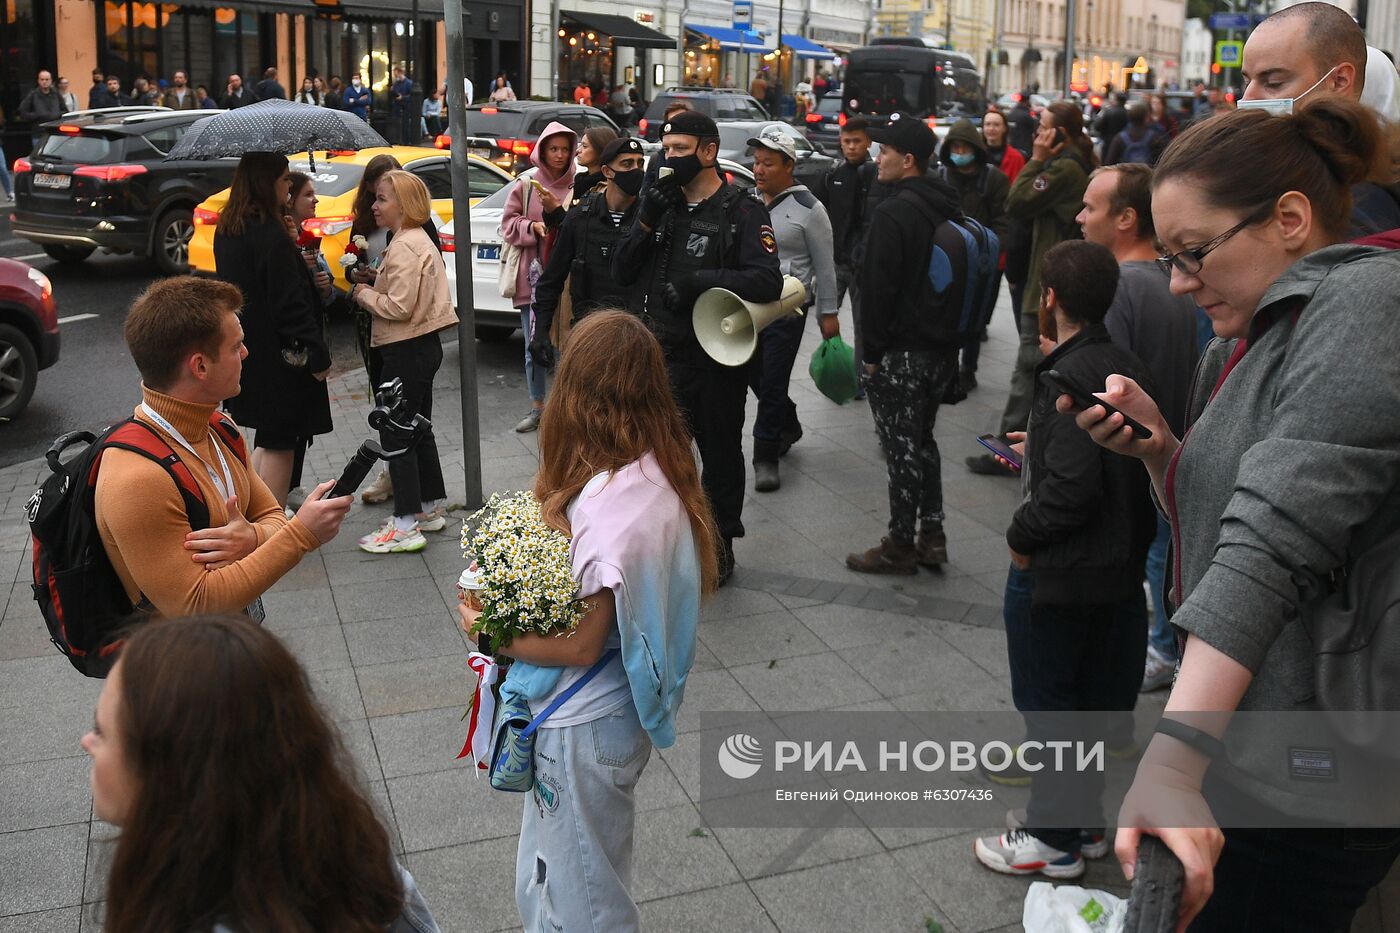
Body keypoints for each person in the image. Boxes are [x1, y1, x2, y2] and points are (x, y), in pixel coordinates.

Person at [1067, 99, 1400, 932]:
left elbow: (1276, 533)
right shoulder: (1244, 334)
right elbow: (1226, 512)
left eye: (1194, 253)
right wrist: (1159, 449)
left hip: (1313, 770)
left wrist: (1174, 758)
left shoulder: (1367, 301)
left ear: (1290, 219)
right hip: (1247, 732)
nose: (1178, 281)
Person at [459, 310, 716, 933]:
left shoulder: (610, 505)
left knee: (583, 900)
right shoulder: (662, 464)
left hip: (583, 722)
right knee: (566, 872)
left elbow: (579, 644)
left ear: (579, 389)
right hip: (613, 715)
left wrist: (485, 627)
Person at [971, 240, 1156, 881]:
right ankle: (1083, 824)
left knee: (1053, 709)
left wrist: (1021, 536)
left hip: (1062, 576)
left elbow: (1072, 493)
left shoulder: (1067, 379)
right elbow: (1103, 462)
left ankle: (1052, 841)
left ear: (1049, 298)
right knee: (1094, 705)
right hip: (1118, 575)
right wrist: (1042, 450)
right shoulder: (1121, 363)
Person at [82, 616, 439, 932]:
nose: (87, 742)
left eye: (101, 731)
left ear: (169, 771)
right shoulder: (353, 858)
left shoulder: (180, 901)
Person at [96, 278, 350, 618]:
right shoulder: (137, 479)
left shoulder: (219, 428)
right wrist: (301, 535)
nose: (246, 353)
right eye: (236, 347)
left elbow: (272, 515)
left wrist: (253, 538)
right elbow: (194, 603)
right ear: (200, 366)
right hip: (178, 665)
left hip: (231, 647)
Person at [611, 110, 783, 583]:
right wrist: (644, 220)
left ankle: (720, 543)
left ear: (708, 152)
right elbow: (622, 272)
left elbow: (768, 280)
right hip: (662, 353)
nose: (671, 159)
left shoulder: (740, 209)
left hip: (716, 359)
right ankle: (660, 540)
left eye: (681, 150)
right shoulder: (659, 201)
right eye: (666, 150)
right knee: (655, 457)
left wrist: (703, 281)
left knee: (720, 452)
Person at [1074, 162, 1206, 693]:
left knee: (1156, 560)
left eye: (1090, 206)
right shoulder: (1168, 281)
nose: (1080, 216)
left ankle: (1159, 651)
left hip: (1138, 466)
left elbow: (1108, 384)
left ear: (1127, 218)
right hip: (1174, 449)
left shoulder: (1120, 288)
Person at [845, 113, 965, 574]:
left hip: (900, 353)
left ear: (908, 159)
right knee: (924, 441)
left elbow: (877, 290)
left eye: (886, 151)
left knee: (900, 449)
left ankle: (899, 545)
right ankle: (932, 535)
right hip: (940, 350)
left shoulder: (894, 212)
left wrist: (871, 357)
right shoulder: (946, 204)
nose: (879, 158)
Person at [967, 101, 1093, 475]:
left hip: (1049, 280)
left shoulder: (1066, 169)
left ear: (1060, 135)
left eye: (1044, 129)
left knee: (1029, 364)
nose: (1038, 134)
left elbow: (1017, 201)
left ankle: (1008, 448)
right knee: (1033, 364)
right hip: (1046, 275)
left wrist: (1036, 159)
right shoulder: (1067, 165)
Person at [214, 152, 332, 508]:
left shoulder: (230, 228)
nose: (287, 186)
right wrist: (317, 354)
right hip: (282, 357)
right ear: (267, 182)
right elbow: (289, 303)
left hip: (248, 348)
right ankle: (273, 525)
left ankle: (258, 518)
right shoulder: (269, 233)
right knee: (282, 440)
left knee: (268, 435)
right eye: (283, 180)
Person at [348, 171, 456, 554]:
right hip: (419, 347)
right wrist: (380, 279)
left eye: (381, 199)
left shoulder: (407, 243)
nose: (374, 206)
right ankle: (427, 507)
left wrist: (363, 293)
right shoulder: (411, 240)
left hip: (407, 348)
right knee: (416, 428)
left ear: (404, 205)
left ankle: (406, 522)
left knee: (396, 433)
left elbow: (400, 306)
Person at [1239, 1, 1400, 236]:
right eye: (1246, 81)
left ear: (1339, 82)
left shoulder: (1359, 209)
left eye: (1274, 83)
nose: (1248, 98)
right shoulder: (1271, 173)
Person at [746, 123, 838, 493]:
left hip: (788, 311)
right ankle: (788, 419)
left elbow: (826, 266)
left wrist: (828, 313)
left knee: (772, 382)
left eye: (768, 162)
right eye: (756, 162)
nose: (759, 170)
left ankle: (765, 455)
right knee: (754, 375)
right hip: (749, 306)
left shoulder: (810, 209)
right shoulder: (750, 203)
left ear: (789, 165)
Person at [530, 135, 646, 361]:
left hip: (636, 336)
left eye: (640, 163)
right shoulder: (580, 218)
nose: (636, 170)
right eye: (627, 164)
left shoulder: (648, 220)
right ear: (607, 171)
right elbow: (551, 280)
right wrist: (541, 332)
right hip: (589, 335)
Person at [501, 122, 577, 433]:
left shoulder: (579, 185)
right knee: (535, 344)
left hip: (569, 281)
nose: (559, 155)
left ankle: (565, 408)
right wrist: (532, 227)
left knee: (567, 347)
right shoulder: (527, 185)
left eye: (564, 149)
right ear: (542, 151)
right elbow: (507, 223)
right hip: (532, 278)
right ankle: (538, 407)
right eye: (553, 148)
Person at [936, 118, 1011, 393]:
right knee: (946, 315)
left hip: (980, 260)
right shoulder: (941, 176)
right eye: (954, 146)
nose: (959, 151)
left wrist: (993, 251)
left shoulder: (994, 179)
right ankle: (947, 367)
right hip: (946, 259)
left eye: (963, 146)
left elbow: (1004, 220)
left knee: (974, 318)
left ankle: (969, 368)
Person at [815, 116, 882, 379]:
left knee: (862, 325)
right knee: (825, 317)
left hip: (862, 266)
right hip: (833, 261)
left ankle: (860, 375)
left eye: (857, 141)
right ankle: (837, 363)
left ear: (868, 143)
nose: (851, 146)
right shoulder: (833, 174)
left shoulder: (876, 175)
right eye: (847, 141)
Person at [571, 125, 619, 203]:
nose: (578, 150)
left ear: (601, 150)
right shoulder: (579, 180)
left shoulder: (609, 187)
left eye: (585, 146)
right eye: (580, 145)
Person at [981, 108, 1027, 182]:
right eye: (987, 124)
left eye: (996, 125)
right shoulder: (976, 155)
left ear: (1004, 128)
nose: (991, 128)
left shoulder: (1016, 157)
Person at [19, 70, 64, 144]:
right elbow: (23, 112)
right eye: (42, 79)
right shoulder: (33, 95)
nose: (44, 82)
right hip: (38, 134)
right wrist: (37, 115)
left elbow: (65, 110)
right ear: (38, 81)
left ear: (51, 80)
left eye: (47, 79)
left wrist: (57, 114)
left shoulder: (56, 94)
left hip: (55, 133)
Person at [1006, 92, 1037, 157]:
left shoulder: (1011, 113)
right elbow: (1035, 129)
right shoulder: (1026, 116)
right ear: (1027, 101)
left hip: (1011, 149)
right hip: (1025, 150)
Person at [390, 67, 414, 144]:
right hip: (397, 107)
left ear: (400, 73)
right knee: (397, 125)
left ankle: (406, 141)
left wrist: (403, 97)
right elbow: (395, 93)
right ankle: (399, 141)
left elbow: (412, 96)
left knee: (405, 125)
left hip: (406, 107)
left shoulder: (409, 83)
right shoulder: (396, 83)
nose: (395, 76)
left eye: (396, 74)